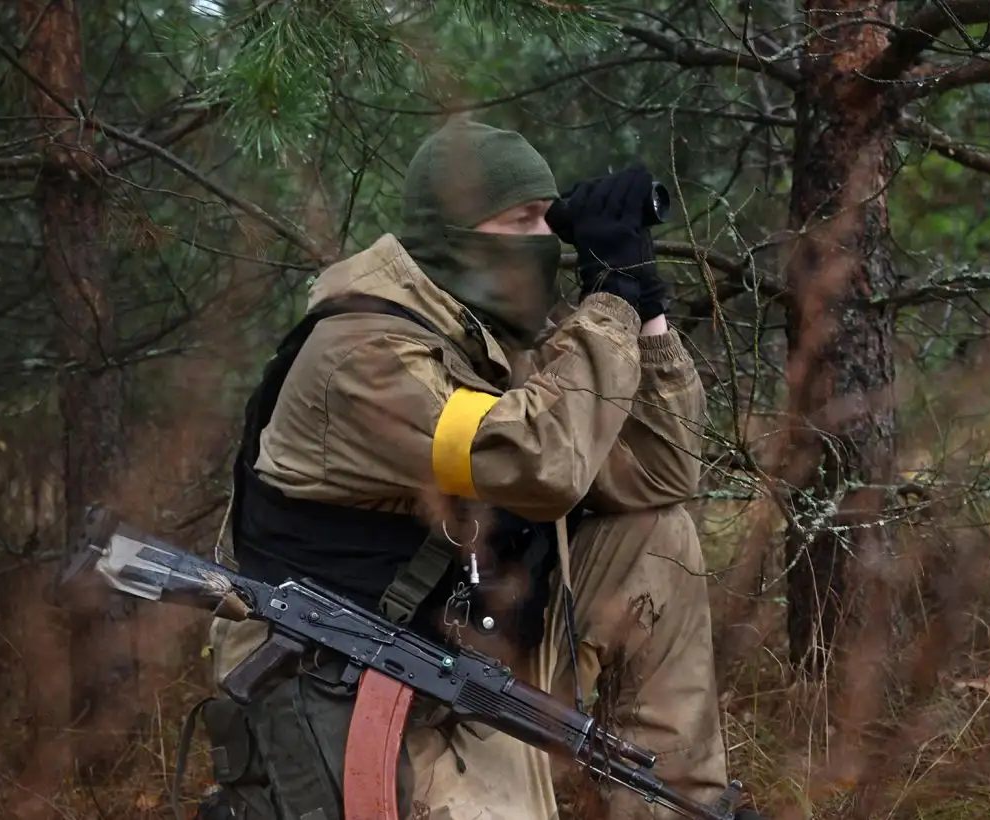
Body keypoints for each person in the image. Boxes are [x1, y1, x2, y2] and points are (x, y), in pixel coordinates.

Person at [200, 117, 743, 820]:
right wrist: (605, 303)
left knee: (656, 537)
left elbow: (661, 474)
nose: (548, 243)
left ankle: (684, 810)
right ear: (453, 237)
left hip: (464, 655)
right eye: (523, 220)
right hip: (346, 682)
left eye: (554, 221)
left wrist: (644, 310)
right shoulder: (361, 357)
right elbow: (540, 463)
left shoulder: (489, 343)